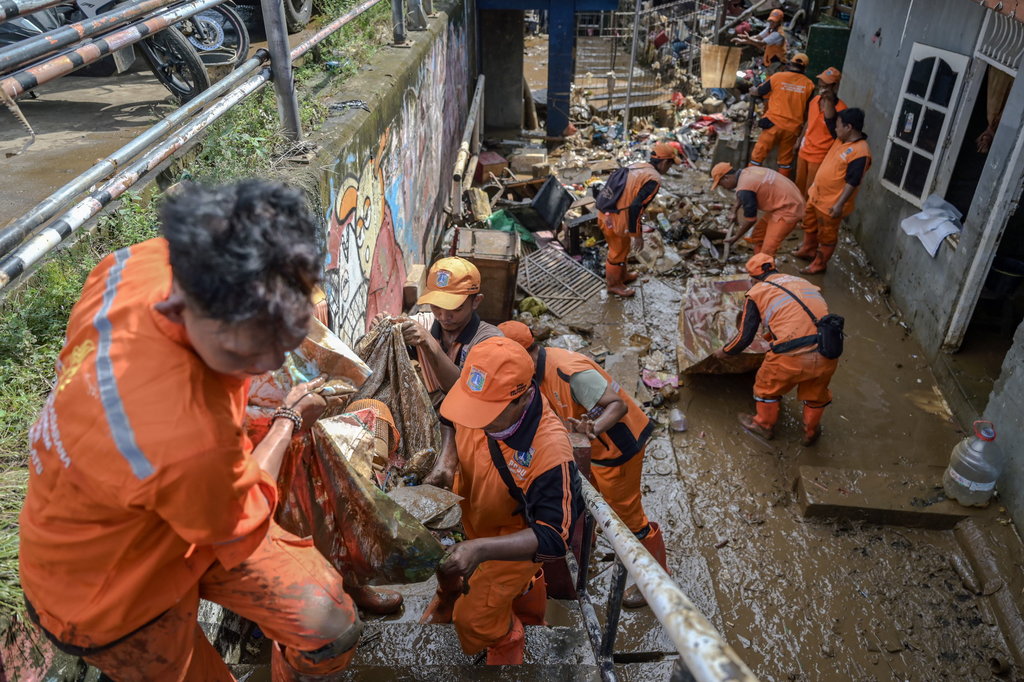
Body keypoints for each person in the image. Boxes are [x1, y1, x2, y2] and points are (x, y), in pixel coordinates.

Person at [18, 180, 362, 681]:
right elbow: (236, 503)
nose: (267, 364)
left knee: (332, 623)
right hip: (111, 597)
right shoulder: (185, 438)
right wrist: (286, 420)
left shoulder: (133, 266)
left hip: (170, 509)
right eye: (243, 356)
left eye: (283, 342)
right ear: (176, 310)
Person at [423, 337, 583, 665]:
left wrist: (480, 549)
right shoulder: (479, 392)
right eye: (474, 406)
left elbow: (554, 539)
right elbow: (451, 417)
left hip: (510, 543)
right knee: (455, 574)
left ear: (523, 399)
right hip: (475, 514)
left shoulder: (550, 453)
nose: (477, 420)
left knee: (473, 620)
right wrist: (447, 460)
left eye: (488, 413)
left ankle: (508, 638)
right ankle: (518, 605)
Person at [498, 321, 667, 609]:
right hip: (592, 448)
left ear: (527, 354)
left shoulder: (569, 372)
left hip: (617, 447)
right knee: (600, 500)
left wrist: (593, 428)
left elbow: (618, 405)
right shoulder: (531, 377)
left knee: (628, 516)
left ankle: (656, 584)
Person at [376, 256, 503, 492]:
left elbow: (462, 393)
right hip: (426, 431)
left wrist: (429, 344)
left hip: (465, 437)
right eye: (437, 307)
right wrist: (385, 325)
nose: (444, 317)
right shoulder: (425, 321)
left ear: (476, 301)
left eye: (454, 309)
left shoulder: (489, 342)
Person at [713, 254, 838, 446]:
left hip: (791, 356)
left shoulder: (757, 292)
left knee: (766, 389)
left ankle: (763, 425)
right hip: (828, 350)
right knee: (816, 394)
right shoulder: (802, 282)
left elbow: (744, 337)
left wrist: (724, 352)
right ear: (774, 269)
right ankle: (811, 430)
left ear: (753, 279)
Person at [598, 141, 682, 297]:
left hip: (608, 211)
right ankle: (613, 285)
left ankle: (622, 276)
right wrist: (637, 235)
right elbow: (636, 207)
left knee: (623, 248)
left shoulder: (638, 166)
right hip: (617, 217)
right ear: (664, 162)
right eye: (669, 165)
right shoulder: (653, 179)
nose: (669, 169)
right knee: (616, 252)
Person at [801, 107, 872, 274]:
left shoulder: (860, 152)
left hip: (831, 203)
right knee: (809, 223)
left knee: (827, 236)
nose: (835, 128)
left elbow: (852, 182)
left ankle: (819, 264)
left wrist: (839, 204)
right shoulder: (841, 140)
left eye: (839, 125)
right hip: (816, 194)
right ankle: (808, 250)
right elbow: (829, 119)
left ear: (849, 127)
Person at [711, 162, 804, 257]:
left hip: (789, 208)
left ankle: (764, 263)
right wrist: (734, 211)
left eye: (722, 184)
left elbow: (751, 220)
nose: (724, 188)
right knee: (758, 235)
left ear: (726, 177)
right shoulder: (746, 172)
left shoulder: (745, 189)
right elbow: (742, 193)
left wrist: (736, 237)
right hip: (788, 198)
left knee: (767, 251)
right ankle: (758, 258)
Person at [748, 53, 815, 180]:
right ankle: (780, 187)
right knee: (785, 162)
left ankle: (749, 182)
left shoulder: (777, 77)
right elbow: (808, 110)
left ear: (790, 64)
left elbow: (759, 92)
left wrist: (752, 90)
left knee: (758, 156)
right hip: (793, 128)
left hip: (773, 124)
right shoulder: (809, 85)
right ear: (805, 68)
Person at [794, 66, 847, 200]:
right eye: (821, 84)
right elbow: (808, 122)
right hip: (804, 151)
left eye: (826, 85)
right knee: (798, 187)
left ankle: (805, 218)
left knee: (811, 190)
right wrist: (799, 140)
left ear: (835, 87)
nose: (822, 87)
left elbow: (839, 135)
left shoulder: (841, 109)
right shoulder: (814, 101)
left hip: (820, 156)